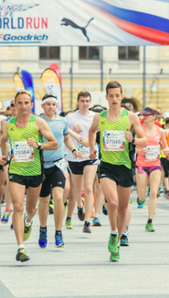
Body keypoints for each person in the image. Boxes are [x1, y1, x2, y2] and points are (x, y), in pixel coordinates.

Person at [89, 81, 147, 262]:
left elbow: (144, 141)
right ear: (106, 97)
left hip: (125, 167)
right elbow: (92, 132)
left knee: (122, 209)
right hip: (106, 166)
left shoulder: (131, 117)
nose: (114, 99)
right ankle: (114, 233)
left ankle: (118, 238)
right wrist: (92, 147)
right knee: (112, 203)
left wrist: (134, 139)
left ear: (121, 96)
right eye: (111, 95)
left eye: (117, 95)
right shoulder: (100, 117)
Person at [0, 90, 58, 262]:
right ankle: (21, 247)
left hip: (35, 171)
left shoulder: (38, 122)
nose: (23, 106)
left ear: (31, 105)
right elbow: (3, 140)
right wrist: (4, 156)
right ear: (15, 105)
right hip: (16, 171)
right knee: (17, 207)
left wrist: (38, 144)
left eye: (26, 103)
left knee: (30, 209)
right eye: (20, 103)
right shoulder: (7, 124)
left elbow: (54, 144)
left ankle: (29, 220)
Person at [38, 94, 81, 248]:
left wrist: (74, 149)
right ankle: (43, 229)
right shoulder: (37, 121)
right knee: (43, 200)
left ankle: (58, 232)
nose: (51, 107)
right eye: (48, 104)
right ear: (42, 106)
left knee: (58, 197)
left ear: (57, 106)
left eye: (53, 104)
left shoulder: (62, 121)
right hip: (42, 165)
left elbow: (66, 138)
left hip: (58, 164)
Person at [65, 91, 98, 232]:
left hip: (90, 156)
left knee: (88, 187)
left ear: (90, 102)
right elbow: (64, 134)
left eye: (87, 101)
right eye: (82, 101)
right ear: (78, 102)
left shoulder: (95, 117)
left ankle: (87, 222)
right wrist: (73, 130)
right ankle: (79, 205)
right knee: (78, 190)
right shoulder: (70, 118)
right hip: (75, 157)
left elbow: (98, 135)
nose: (85, 104)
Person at [136, 105, 168, 232]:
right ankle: (140, 198)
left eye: (147, 115)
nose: (144, 116)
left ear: (154, 116)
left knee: (154, 193)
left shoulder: (160, 131)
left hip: (155, 164)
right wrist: (140, 150)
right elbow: (133, 147)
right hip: (141, 165)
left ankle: (149, 221)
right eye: (143, 114)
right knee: (143, 197)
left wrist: (167, 152)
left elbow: (164, 146)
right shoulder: (139, 130)